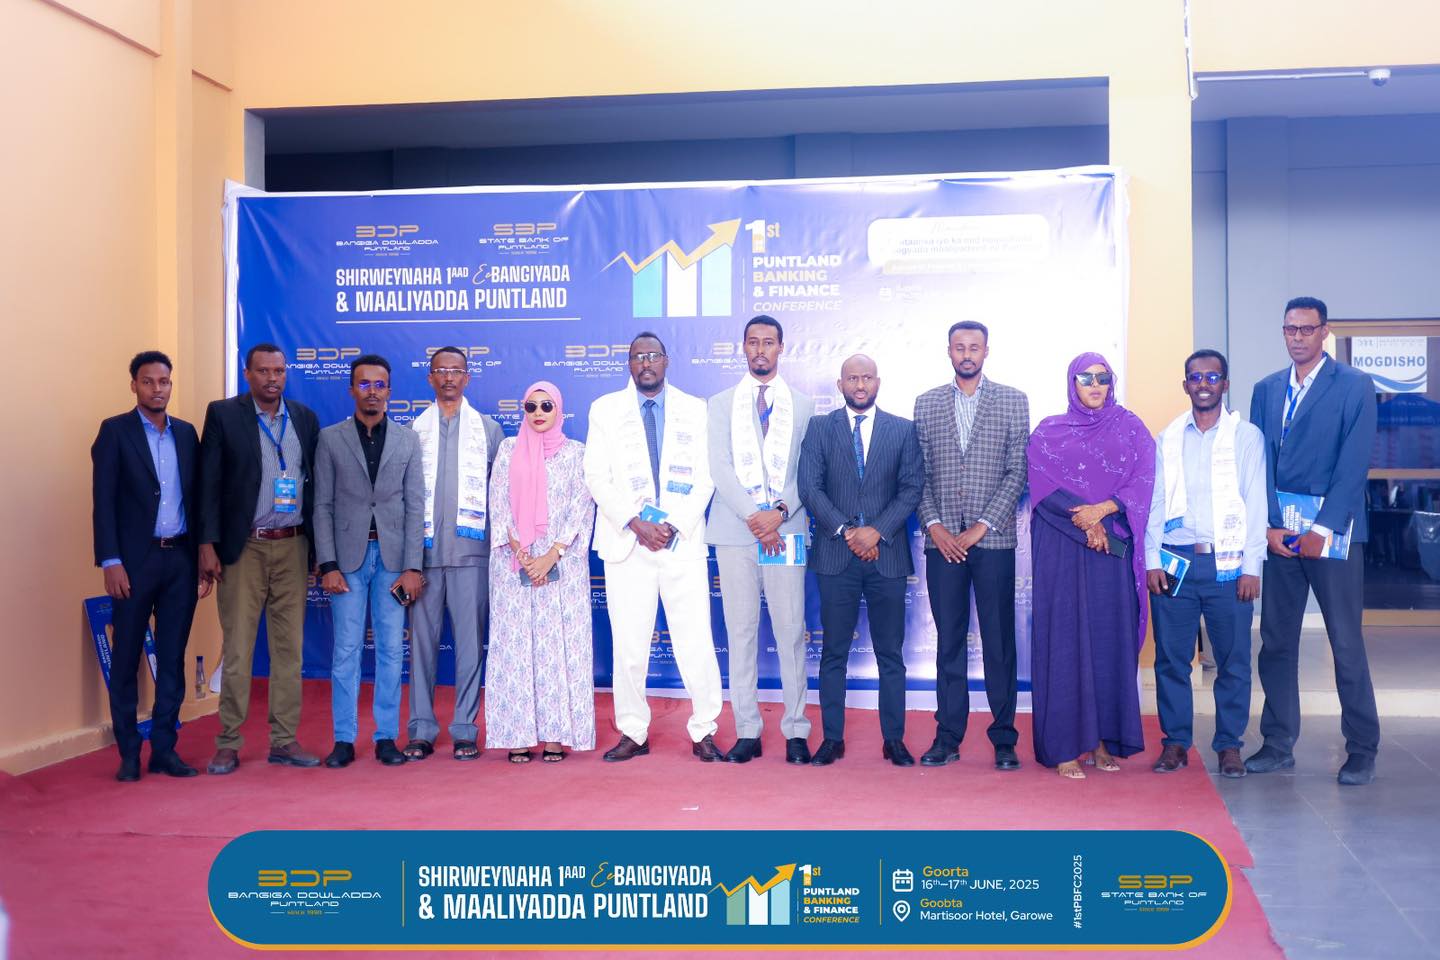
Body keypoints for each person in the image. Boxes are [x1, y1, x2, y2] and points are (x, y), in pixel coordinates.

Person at [1247, 296, 1380, 786]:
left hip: (1333, 537)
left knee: (1345, 642)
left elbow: (1355, 461)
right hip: (1281, 535)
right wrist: (1267, 525)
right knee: (1276, 642)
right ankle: (1278, 743)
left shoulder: (1354, 385)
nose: (1298, 337)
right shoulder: (1266, 389)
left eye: (1307, 329)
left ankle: (1362, 748)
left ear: (1325, 331)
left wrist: (1323, 529)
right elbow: (1257, 463)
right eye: (1290, 329)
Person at [583, 334, 725, 762]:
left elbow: (707, 476)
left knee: (695, 642)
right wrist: (635, 522)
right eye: (637, 357)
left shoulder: (695, 409)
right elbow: (596, 476)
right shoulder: (605, 409)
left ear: (666, 360)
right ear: (628, 363)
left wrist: (673, 524)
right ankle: (633, 731)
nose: (645, 363)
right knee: (629, 646)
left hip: (680, 543)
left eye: (653, 356)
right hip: (628, 543)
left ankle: (704, 729)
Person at [1027, 353, 1155, 779]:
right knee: (1064, 640)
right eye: (1086, 378)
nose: (1095, 385)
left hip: (1110, 549)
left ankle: (1102, 741)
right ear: (1072, 383)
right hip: (1062, 547)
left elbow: (1144, 478)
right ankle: (1064, 747)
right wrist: (1086, 521)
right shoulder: (1049, 432)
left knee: (1106, 640)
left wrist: (1103, 510)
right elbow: (1042, 486)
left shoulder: (1130, 427)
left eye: (1103, 378)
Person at [198, 344, 322, 775]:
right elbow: (208, 483)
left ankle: (283, 740)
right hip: (243, 547)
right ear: (247, 373)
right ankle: (228, 742)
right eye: (264, 371)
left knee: (289, 650)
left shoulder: (304, 418)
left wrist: (319, 553)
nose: (273, 378)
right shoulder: (224, 414)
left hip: (293, 546)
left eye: (279, 371)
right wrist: (207, 544)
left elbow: (316, 485)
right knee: (238, 649)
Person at [1144, 350, 1266, 779]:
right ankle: (1176, 743)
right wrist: (1151, 559)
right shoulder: (1168, 438)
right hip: (1175, 561)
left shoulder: (1246, 437)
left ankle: (1229, 745)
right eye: (1195, 377)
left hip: (1228, 563)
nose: (1203, 384)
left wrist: (1252, 566)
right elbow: (1156, 501)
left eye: (1212, 377)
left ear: (1225, 384)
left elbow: (1255, 501)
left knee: (1233, 660)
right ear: (1185, 385)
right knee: (1171, 659)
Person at [912, 321, 1028, 771]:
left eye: (974, 347)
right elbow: (917, 474)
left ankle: (1004, 738)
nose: (966, 354)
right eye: (959, 347)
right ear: (949, 352)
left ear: (986, 351)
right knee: (949, 642)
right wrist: (935, 526)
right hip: (942, 543)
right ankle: (948, 736)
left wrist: (981, 526)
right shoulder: (927, 403)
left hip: (993, 540)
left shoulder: (1013, 400)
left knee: (999, 643)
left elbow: (1017, 471)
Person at [798, 355, 924, 766]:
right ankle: (832, 739)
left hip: (887, 555)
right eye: (852, 378)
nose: (859, 384)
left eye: (866, 377)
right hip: (837, 555)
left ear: (878, 382)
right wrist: (848, 531)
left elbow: (911, 488)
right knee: (834, 652)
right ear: (840, 384)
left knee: (891, 654)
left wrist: (877, 531)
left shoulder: (902, 430)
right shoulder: (820, 428)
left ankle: (894, 740)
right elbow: (810, 488)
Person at [91, 351, 211, 781]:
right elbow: (103, 501)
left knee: (172, 658)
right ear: (134, 386)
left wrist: (202, 557)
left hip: (180, 559)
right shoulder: (115, 432)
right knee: (126, 658)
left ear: (170, 385)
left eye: (164, 381)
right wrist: (111, 561)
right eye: (148, 381)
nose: (157, 389)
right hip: (134, 563)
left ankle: (164, 749)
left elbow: (197, 499)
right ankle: (128, 753)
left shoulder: (186, 433)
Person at [707, 316, 815, 765]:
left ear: (781, 348)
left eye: (768, 342)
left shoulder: (803, 406)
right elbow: (719, 466)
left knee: (790, 631)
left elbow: (808, 471)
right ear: (743, 348)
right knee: (741, 632)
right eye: (752, 342)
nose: (760, 350)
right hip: (736, 532)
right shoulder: (720, 404)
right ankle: (747, 729)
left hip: (785, 530)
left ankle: (796, 729)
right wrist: (754, 517)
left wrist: (778, 514)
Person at [313, 355, 425, 768]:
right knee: (346, 649)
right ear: (352, 390)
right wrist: (328, 564)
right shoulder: (331, 439)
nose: (372, 391)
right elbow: (322, 505)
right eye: (364, 384)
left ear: (389, 391)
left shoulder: (408, 440)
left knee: (392, 650)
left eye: (379, 384)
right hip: (347, 561)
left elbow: (415, 506)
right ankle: (344, 739)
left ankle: (386, 737)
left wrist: (413, 566)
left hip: (394, 562)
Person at [484, 381, 596, 762]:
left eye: (546, 406)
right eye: (531, 406)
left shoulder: (576, 453)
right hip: (513, 563)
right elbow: (499, 504)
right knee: (516, 650)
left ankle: (555, 735)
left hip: (562, 564)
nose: (538, 413)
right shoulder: (508, 450)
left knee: (556, 649)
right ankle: (517, 733)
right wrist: (522, 552)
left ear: (559, 409)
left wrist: (552, 554)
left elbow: (582, 507)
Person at [405, 347, 504, 762]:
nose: (448, 377)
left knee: (469, 647)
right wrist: (409, 560)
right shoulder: (413, 431)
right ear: (430, 377)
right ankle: (421, 730)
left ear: (467, 377)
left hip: (471, 556)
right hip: (424, 558)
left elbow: (502, 496)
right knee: (422, 649)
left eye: (456, 370)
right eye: (441, 371)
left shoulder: (490, 431)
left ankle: (465, 729)